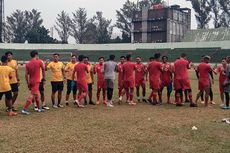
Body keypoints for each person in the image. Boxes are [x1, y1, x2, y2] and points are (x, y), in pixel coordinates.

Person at [21, 50, 46, 115]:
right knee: (33, 95)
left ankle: (39, 108)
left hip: (31, 81)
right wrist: (44, 78)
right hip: (37, 81)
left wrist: (28, 83)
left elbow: (26, 75)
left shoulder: (28, 64)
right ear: (36, 55)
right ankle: (24, 109)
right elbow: (43, 70)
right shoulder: (39, 62)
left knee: (37, 95)